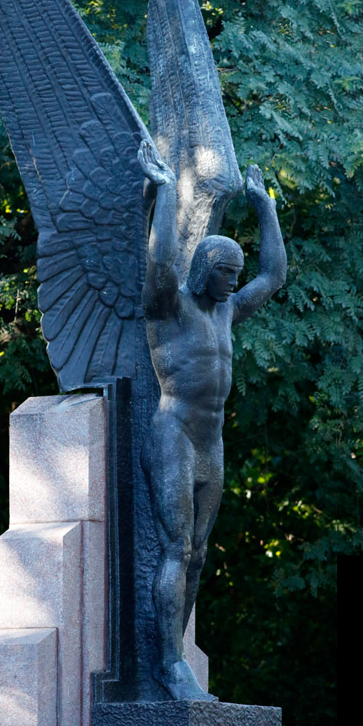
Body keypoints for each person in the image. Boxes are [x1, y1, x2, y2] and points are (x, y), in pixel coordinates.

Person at [138, 139, 287, 701]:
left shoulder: (227, 309)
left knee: (198, 554)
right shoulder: (169, 306)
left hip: (211, 442)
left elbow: (273, 276)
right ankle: (171, 666)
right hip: (173, 433)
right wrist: (166, 192)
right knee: (177, 549)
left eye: (235, 273)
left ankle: (172, 657)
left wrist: (264, 206)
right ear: (204, 269)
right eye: (225, 272)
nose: (233, 282)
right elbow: (159, 264)